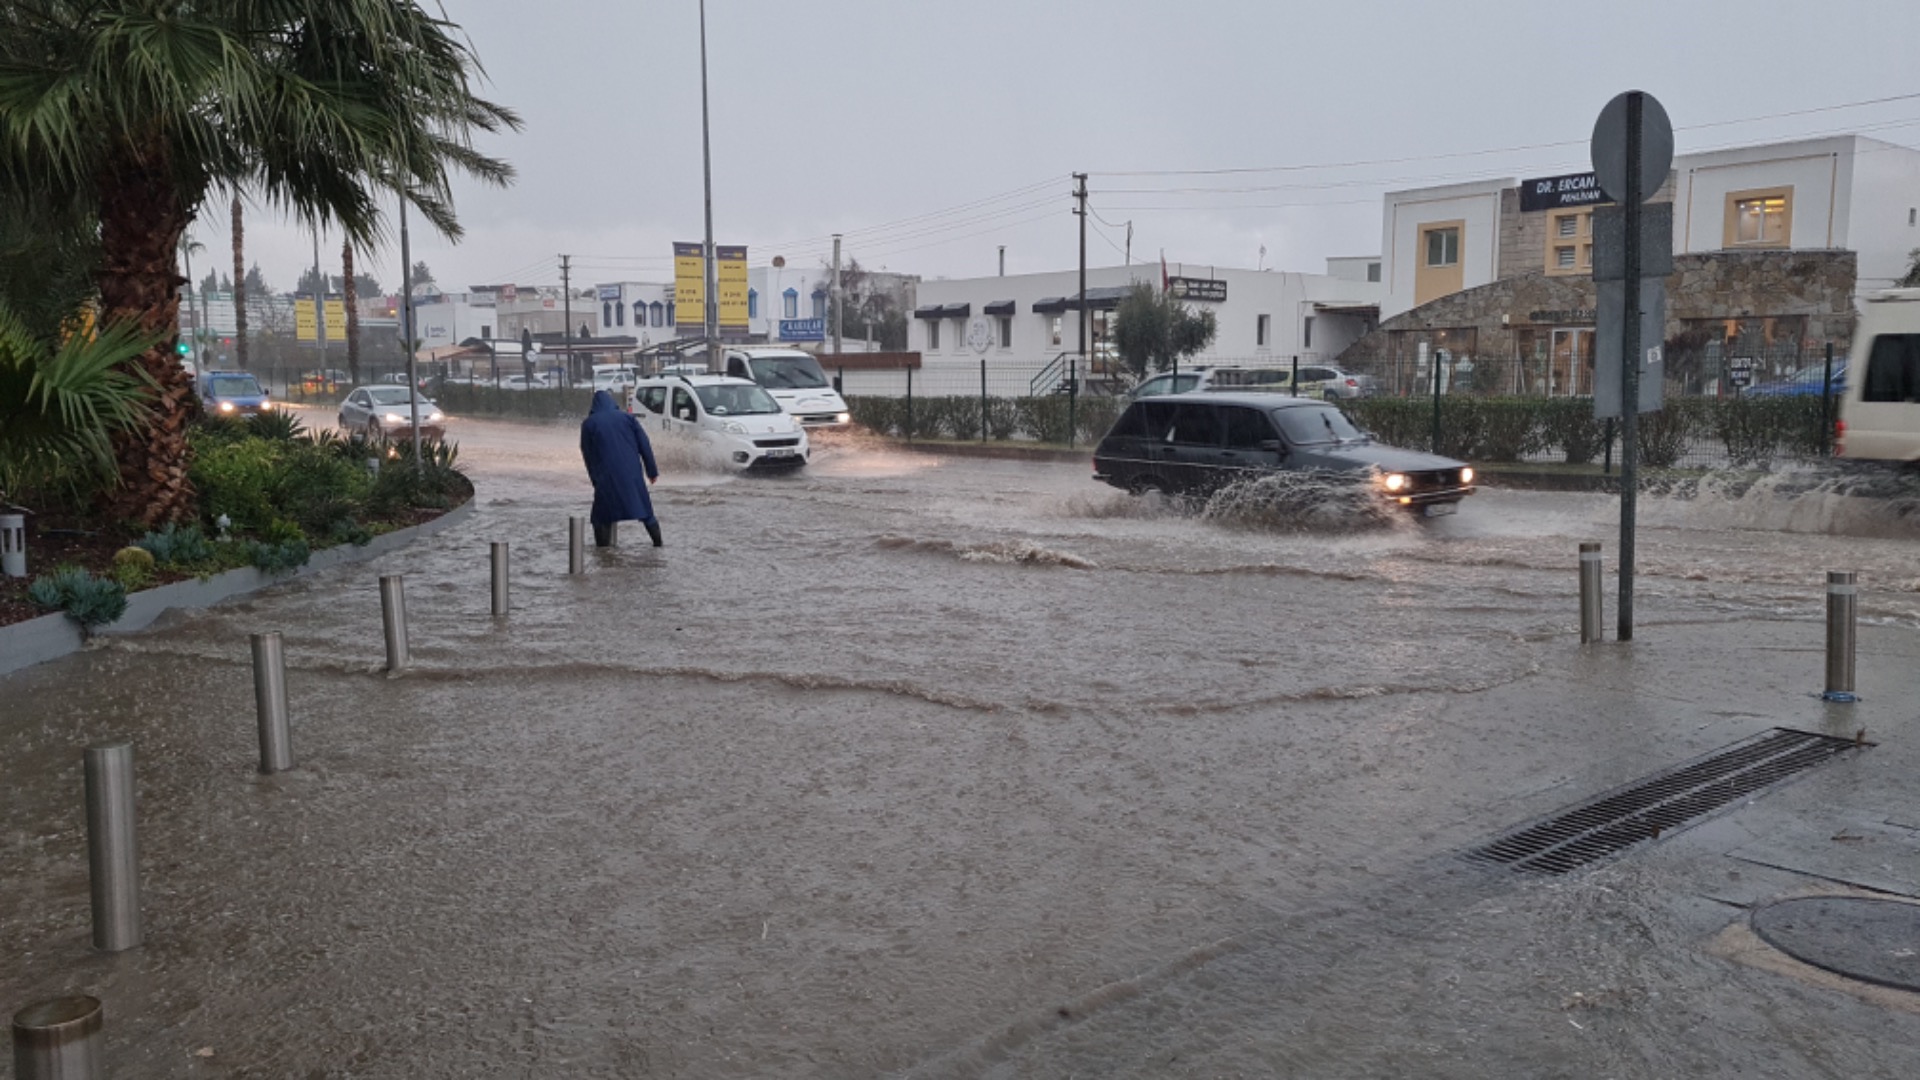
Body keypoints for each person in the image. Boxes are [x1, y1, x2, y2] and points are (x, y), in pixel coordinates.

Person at [579, 389, 661, 547]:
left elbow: (587, 455)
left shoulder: (589, 424)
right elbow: (644, 445)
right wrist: (652, 471)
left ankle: (603, 553)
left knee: (601, 515)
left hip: (606, 476)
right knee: (645, 511)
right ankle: (658, 545)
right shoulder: (628, 419)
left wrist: (595, 479)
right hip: (633, 475)